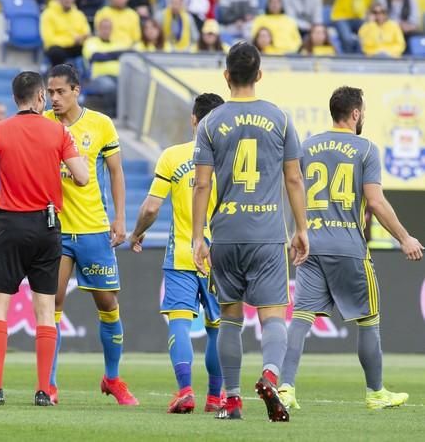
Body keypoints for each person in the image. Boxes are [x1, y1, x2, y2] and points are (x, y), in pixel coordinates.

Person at [279, 86, 423, 411]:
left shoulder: (308, 146)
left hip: (311, 245)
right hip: (349, 247)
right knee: (368, 319)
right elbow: (375, 201)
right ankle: (375, 393)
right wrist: (404, 237)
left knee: (300, 319)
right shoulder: (366, 148)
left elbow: (294, 189)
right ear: (356, 113)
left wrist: (295, 232)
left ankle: (286, 387)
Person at [192, 42, 309, 421]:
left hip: (226, 233)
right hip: (267, 234)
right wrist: (302, 228)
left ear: (226, 75)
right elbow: (293, 178)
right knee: (273, 316)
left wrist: (198, 236)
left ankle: (232, 400)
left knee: (229, 317)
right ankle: (271, 375)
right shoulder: (280, 118)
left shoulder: (210, 123)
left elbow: (202, 185)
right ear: (260, 74)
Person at [0, 71, 89, 407]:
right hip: (48, 226)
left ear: (15, 97)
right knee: (45, 309)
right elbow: (82, 177)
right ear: (40, 98)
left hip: (9, 225)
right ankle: (44, 390)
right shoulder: (59, 131)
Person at [44, 64, 137, 406]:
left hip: (94, 228)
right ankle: (49, 385)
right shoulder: (43, 123)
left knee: (108, 304)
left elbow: (115, 172)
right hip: (55, 230)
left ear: (75, 90)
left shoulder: (100, 124)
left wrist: (120, 218)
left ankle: (112, 378)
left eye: (59, 92)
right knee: (52, 304)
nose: (53, 98)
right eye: (49, 92)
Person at [129, 93, 225, 414]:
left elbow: (152, 207)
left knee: (180, 324)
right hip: (219, 256)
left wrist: (138, 232)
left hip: (182, 254)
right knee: (217, 328)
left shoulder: (173, 156)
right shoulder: (231, 161)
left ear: (194, 120)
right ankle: (215, 397)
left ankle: (185, 390)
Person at [82, 19, 131, 117]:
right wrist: (116, 55)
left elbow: (127, 54)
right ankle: (113, 115)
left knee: (131, 85)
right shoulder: (91, 42)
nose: (106, 31)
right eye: (103, 28)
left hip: (119, 76)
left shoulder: (117, 43)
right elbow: (96, 56)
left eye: (108, 28)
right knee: (110, 86)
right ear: (98, 29)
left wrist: (107, 55)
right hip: (98, 77)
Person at [330, 0, 395, 53]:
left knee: (368, 36)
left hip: (360, 17)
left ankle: (362, 59)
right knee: (347, 39)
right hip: (341, 17)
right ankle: (348, 60)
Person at [41, 0, 91, 67]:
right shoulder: (48, 14)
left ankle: (90, 75)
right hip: (58, 47)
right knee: (56, 52)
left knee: (91, 47)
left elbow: (86, 32)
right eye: (66, 1)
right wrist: (72, 40)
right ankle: (59, 75)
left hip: (76, 46)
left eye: (70, 1)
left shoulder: (79, 14)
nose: (68, 3)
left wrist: (81, 38)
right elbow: (49, 40)